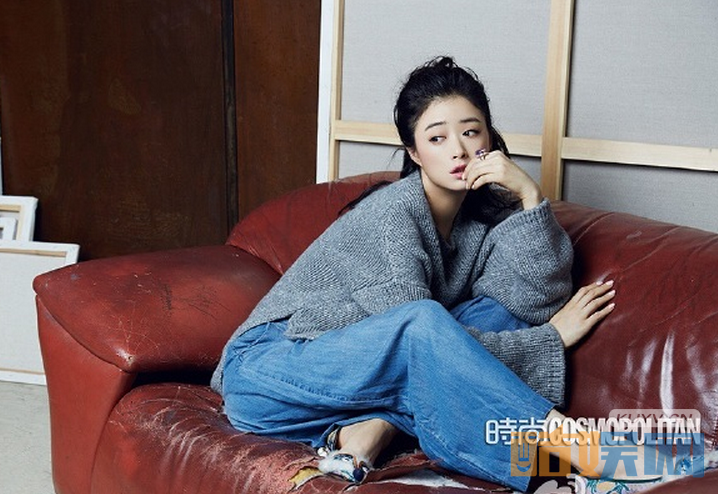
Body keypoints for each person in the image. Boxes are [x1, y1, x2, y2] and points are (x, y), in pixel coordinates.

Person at [210, 56, 633, 491]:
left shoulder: (479, 219)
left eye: (471, 132)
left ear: (489, 139)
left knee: (497, 312)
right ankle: (584, 455)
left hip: (350, 384)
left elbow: (535, 299)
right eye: (437, 138)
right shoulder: (393, 215)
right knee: (424, 325)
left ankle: (372, 431)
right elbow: (422, 345)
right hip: (265, 372)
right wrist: (550, 340)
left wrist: (529, 195)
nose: (459, 150)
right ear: (414, 152)